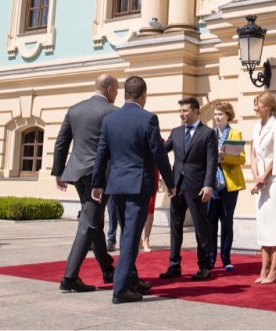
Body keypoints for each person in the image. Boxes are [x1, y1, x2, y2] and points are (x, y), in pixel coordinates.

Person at [92, 76, 176, 305]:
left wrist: (97, 183)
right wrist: (171, 182)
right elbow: (158, 153)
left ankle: (131, 281)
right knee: (130, 236)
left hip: (116, 185)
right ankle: (120, 290)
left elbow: (102, 154)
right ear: (143, 94)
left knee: (125, 232)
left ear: (126, 93)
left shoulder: (110, 119)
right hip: (139, 185)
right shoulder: (148, 118)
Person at [51, 73, 119, 293]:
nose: (117, 94)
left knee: (94, 219)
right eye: (116, 90)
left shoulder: (74, 109)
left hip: (77, 173)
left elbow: (62, 142)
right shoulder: (113, 112)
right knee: (89, 222)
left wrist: (58, 172)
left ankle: (108, 268)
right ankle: (70, 277)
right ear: (109, 90)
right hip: (100, 176)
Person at [159, 97, 218, 281]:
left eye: (185, 111)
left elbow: (211, 162)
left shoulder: (207, 133)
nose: (181, 114)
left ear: (195, 111)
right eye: (181, 111)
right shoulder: (176, 132)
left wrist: (208, 185)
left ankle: (204, 266)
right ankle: (174, 265)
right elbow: (161, 151)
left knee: (201, 227)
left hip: (197, 187)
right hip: (176, 187)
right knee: (175, 227)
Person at [250, 91, 276, 284]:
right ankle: (263, 269)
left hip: (275, 182)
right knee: (263, 226)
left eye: (257, 105)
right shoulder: (256, 127)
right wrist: (255, 177)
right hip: (260, 182)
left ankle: (275, 269)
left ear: (266, 106)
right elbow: (253, 154)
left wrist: (263, 178)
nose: (254, 108)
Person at [206, 101, 246, 272]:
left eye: (220, 114)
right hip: (211, 184)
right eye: (215, 114)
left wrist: (224, 157)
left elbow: (241, 159)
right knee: (211, 222)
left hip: (229, 185)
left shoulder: (235, 134)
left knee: (227, 221)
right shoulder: (209, 134)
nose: (217, 117)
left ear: (228, 116)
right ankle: (210, 259)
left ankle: (226, 258)